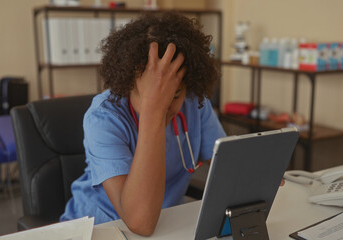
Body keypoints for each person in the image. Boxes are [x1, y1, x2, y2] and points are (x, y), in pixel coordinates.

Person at [60, 11, 226, 236]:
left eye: (175, 94)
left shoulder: (195, 104)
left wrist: (251, 171)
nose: (165, 103)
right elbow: (140, 222)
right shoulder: (103, 118)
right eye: (151, 94)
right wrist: (152, 112)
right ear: (127, 85)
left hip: (165, 224)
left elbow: (227, 159)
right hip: (99, 227)